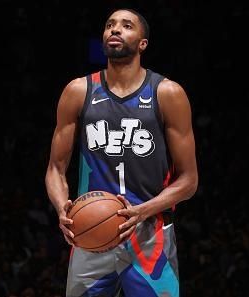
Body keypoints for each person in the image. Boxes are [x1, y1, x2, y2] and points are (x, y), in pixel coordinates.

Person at [45, 8, 198, 297]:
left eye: (126, 26)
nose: (115, 30)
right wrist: (61, 206)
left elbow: (189, 181)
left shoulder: (168, 93)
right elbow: (56, 168)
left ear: (143, 43)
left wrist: (141, 211)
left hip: (150, 236)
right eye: (109, 25)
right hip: (90, 236)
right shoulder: (79, 91)